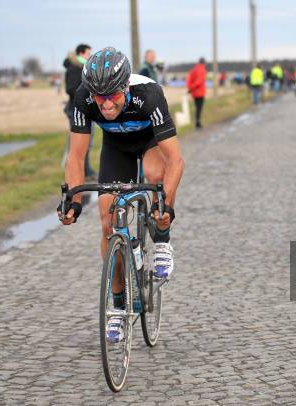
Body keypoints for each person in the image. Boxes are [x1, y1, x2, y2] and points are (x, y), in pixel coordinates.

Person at [58, 47, 185, 343]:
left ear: (125, 86)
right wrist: (74, 201)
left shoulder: (149, 95)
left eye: (112, 96)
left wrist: (164, 204)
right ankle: (117, 306)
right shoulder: (83, 98)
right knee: (107, 223)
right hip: (116, 149)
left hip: (150, 143)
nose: (104, 104)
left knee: (156, 176)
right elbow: (76, 158)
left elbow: (176, 161)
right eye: (98, 97)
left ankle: (162, 237)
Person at [63, 43, 96, 178]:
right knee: (77, 144)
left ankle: (86, 170)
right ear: (81, 54)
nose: (89, 56)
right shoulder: (73, 69)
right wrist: (85, 90)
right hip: (76, 110)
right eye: (88, 53)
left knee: (87, 143)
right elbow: (70, 89)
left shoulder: (85, 68)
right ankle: (74, 172)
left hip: (87, 110)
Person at [186, 57, 207, 129]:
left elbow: (189, 80)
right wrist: (193, 87)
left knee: (197, 108)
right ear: (204, 63)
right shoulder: (202, 70)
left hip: (194, 93)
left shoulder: (193, 70)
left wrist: (190, 88)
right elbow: (199, 81)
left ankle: (197, 122)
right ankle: (198, 123)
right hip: (200, 92)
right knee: (199, 108)